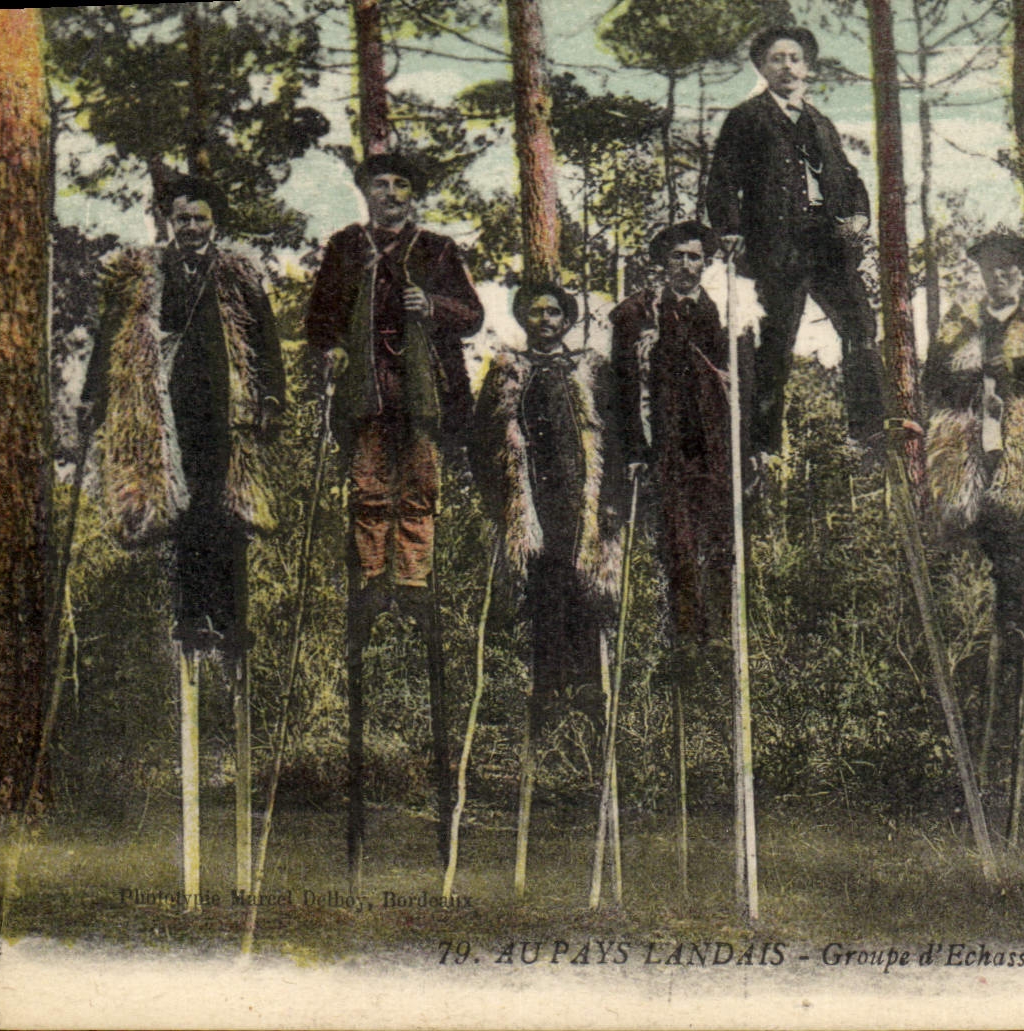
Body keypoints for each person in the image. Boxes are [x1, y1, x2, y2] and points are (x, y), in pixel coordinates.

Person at [87, 173, 285, 896]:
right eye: (181, 217)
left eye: (202, 217)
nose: (192, 227)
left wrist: (272, 400)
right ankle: (189, 618)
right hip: (164, 412)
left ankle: (228, 621)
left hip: (225, 410)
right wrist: (91, 404)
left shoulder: (237, 275)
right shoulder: (142, 276)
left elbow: (266, 342)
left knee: (222, 513)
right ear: (165, 221)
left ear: (216, 221)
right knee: (176, 515)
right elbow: (112, 346)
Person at [304, 152, 483, 875]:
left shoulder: (437, 251)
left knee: (419, 489)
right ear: (365, 193)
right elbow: (319, 317)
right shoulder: (346, 248)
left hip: (427, 389)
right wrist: (322, 360)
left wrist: (430, 307)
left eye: (402, 186)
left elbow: (471, 314)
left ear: (416, 195)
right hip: (367, 393)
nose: (390, 195)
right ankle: (374, 573)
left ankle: (413, 576)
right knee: (369, 487)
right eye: (380, 185)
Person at [705, 25, 885, 455]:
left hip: (828, 248)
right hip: (778, 249)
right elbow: (723, 179)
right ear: (762, 67)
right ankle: (764, 450)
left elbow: (849, 177)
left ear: (807, 67)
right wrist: (729, 228)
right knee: (777, 347)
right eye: (776, 59)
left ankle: (868, 431)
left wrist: (859, 216)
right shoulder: (747, 118)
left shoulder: (819, 122)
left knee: (860, 328)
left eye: (795, 59)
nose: (787, 66)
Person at [471, 282, 627, 731]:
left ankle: (589, 695)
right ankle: (547, 694)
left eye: (553, 312)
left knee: (586, 590)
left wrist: (612, 502)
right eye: (536, 312)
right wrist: (499, 502)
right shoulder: (507, 372)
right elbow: (482, 443)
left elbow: (614, 439)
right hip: (533, 506)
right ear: (524, 319)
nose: (545, 320)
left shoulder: (590, 369)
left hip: (584, 502)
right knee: (543, 593)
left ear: (567, 320)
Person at [923, 232, 1024, 658]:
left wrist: (1016, 369)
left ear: (1022, 272)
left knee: (1022, 524)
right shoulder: (962, 321)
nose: (999, 275)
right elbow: (934, 381)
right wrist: (976, 379)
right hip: (973, 443)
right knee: (999, 529)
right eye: (991, 267)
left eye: (1008, 267)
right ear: (981, 272)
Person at [609, 221, 752, 650]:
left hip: (717, 444)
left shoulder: (726, 314)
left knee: (722, 538)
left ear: (706, 263)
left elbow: (748, 384)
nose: (686, 266)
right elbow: (624, 387)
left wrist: (749, 448)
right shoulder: (638, 314)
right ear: (663, 262)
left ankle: (723, 633)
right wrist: (635, 450)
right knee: (679, 541)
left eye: (694, 257)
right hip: (667, 445)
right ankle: (686, 634)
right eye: (678, 256)